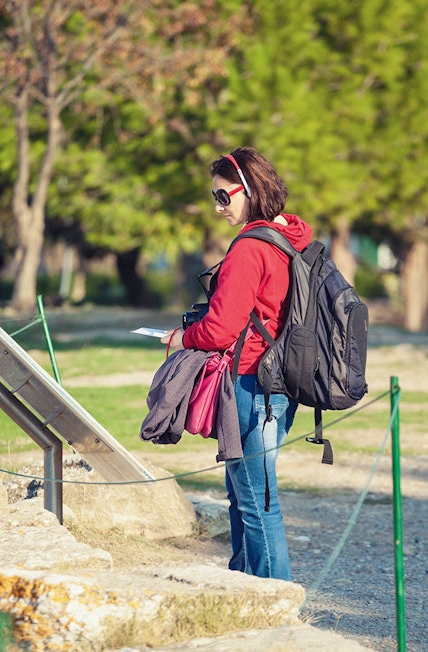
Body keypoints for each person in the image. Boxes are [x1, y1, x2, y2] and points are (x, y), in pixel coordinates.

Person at [162, 147, 309, 581]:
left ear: (249, 190)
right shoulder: (290, 237)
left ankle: (272, 604)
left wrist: (181, 337)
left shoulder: (250, 248)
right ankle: (245, 586)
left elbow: (222, 328)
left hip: (250, 383)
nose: (217, 206)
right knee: (249, 494)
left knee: (257, 501)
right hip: (281, 381)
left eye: (223, 196)